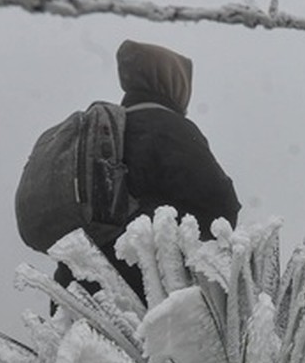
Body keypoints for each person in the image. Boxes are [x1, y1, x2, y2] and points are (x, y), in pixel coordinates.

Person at [55, 40, 241, 299]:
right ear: (172, 84)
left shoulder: (103, 134)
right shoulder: (168, 126)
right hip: (142, 292)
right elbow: (221, 205)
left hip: (78, 288)